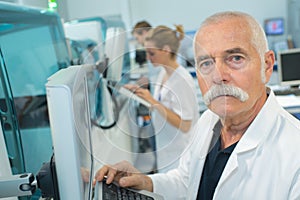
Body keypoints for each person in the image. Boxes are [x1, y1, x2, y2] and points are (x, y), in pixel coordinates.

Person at [94, 11, 300, 199]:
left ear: (267, 65)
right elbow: (187, 181)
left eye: (235, 58)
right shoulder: (209, 121)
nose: (218, 77)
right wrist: (146, 181)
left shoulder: (294, 154)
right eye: (206, 63)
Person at [126, 25, 200, 173]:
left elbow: (185, 125)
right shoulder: (163, 73)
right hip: (166, 149)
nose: (147, 57)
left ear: (166, 50)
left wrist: (153, 101)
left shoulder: (181, 79)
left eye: (151, 53)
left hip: (180, 154)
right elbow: (162, 107)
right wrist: (141, 94)